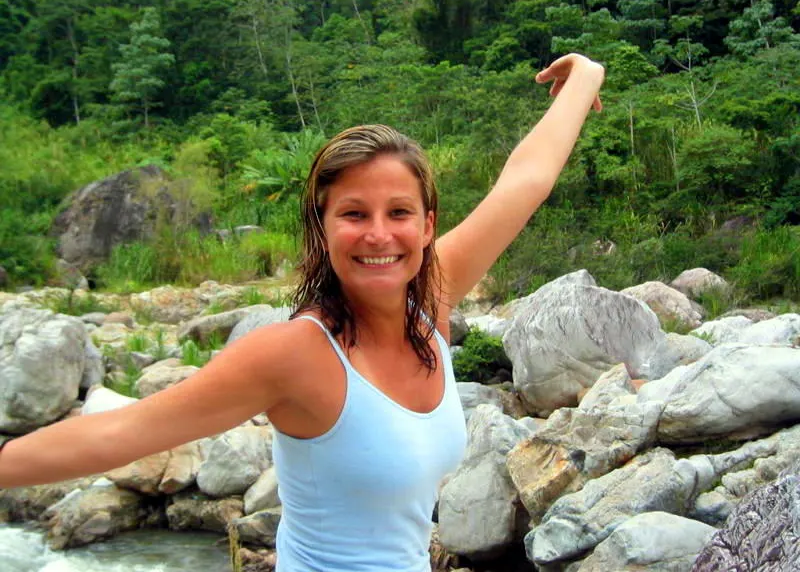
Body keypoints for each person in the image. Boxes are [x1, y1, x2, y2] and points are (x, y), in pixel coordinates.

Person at [0, 53, 604, 571]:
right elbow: (118, 433)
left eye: (397, 212)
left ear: (426, 226)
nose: (377, 235)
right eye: (353, 214)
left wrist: (585, 77)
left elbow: (524, 182)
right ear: (322, 227)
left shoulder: (429, 304)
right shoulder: (296, 353)